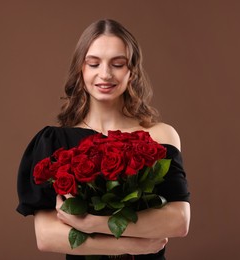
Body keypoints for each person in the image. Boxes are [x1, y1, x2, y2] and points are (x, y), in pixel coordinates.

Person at [16, 19, 190, 260]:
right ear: (81, 69)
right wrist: (133, 246)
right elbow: (46, 237)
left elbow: (178, 221)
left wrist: (91, 224)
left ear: (132, 71)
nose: (105, 74)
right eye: (94, 63)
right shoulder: (54, 142)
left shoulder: (161, 135)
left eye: (117, 64)